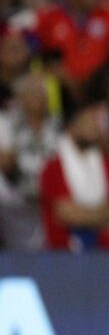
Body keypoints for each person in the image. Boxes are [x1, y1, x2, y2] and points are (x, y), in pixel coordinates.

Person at [38, 93, 109, 251]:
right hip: (64, 259)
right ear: (72, 127)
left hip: (107, 258)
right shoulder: (52, 168)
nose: (94, 127)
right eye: (88, 121)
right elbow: (66, 213)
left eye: (95, 122)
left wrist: (83, 214)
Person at [0, 73, 59, 250]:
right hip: (12, 197)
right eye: (36, 92)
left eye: (44, 92)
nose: (43, 97)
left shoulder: (56, 127)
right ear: (20, 97)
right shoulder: (5, 121)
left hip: (46, 199)